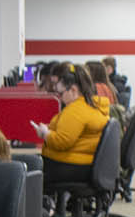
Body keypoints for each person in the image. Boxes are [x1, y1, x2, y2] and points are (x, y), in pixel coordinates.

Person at [40, 61, 110, 193]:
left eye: (60, 93)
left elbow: (62, 141)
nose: (59, 98)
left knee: (32, 168)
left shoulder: (75, 110)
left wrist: (45, 133)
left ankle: (47, 207)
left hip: (74, 167)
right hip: (88, 164)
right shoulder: (92, 105)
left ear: (73, 90)